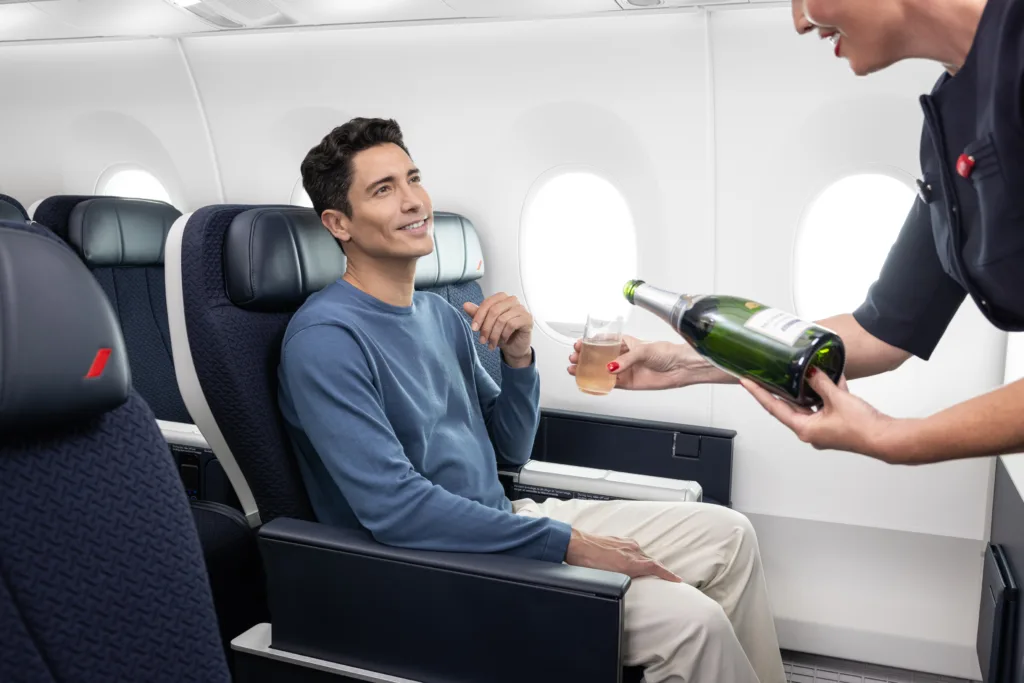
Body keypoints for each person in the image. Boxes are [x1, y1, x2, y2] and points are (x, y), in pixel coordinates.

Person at [277, 117, 787, 683]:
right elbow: (396, 510)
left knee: (730, 534)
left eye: (412, 178)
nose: (414, 201)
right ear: (338, 223)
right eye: (383, 189)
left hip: (496, 521)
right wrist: (569, 545)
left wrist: (519, 359)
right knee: (695, 623)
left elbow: (510, 449)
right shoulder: (325, 341)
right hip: (432, 562)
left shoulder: (438, 316)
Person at [570, 0, 1024, 466]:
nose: (800, 22)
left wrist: (895, 439)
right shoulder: (946, 129)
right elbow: (882, 331)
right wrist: (680, 363)